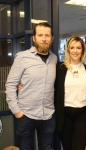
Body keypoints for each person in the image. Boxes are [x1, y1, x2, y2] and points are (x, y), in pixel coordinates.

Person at [5, 22, 57, 150]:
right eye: (40, 35)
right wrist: (16, 111)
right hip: (26, 115)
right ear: (34, 38)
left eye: (47, 35)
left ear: (52, 38)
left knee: (46, 148)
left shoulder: (54, 59)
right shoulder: (22, 57)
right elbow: (11, 85)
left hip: (48, 115)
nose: (44, 38)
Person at [54, 36, 86, 150]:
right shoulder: (59, 67)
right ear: (68, 50)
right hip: (64, 116)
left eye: (78, 47)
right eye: (72, 47)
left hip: (83, 116)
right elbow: (46, 82)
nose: (75, 51)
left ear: (83, 50)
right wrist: (23, 84)